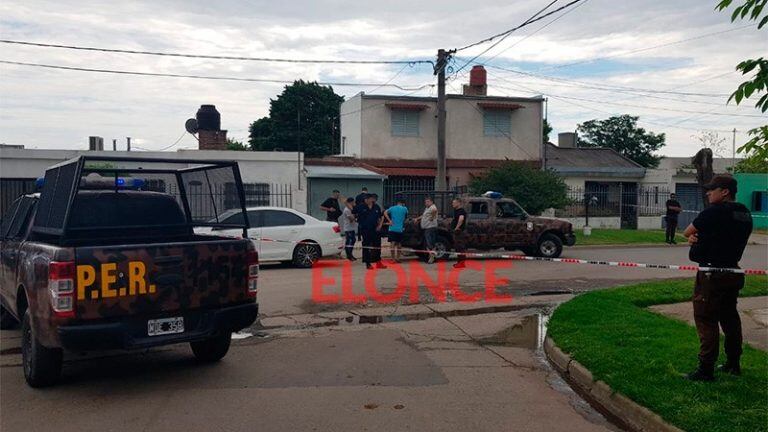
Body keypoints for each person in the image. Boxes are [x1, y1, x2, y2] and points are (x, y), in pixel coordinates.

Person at [683, 174, 753, 381]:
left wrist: (693, 238)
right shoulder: (744, 213)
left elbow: (687, 231)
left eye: (712, 189)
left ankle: (705, 369)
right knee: (730, 318)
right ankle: (733, 363)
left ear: (725, 192)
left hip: (711, 274)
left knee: (706, 319)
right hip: (733, 271)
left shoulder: (714, 212)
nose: (708, 192)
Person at [358, 193, 386, 270]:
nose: (374, 200)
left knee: (377, 246)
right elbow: (355, 213)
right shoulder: (361, 207)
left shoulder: (376, 207)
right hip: (366, 230)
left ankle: (378, 262)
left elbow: (380, 217)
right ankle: (368, 263)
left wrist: (380, 225)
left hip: (375, 230)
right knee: (366, 246)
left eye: (375, 199)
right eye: (372, 198)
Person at [414, 196, 439, 264]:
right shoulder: (427, 208)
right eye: (425, 202)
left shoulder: (433, 207)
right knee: (428, 243)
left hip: (430, 228)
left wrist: (432, 217)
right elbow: (424, 216)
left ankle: (432, 257)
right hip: (426, 228)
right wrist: (417, 219)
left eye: (428, 202)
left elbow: (435, 211)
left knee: (430, 243)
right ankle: (430, 256)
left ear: (431, 202)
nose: (426, 203)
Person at [384, 198, 408, 262]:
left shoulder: (392, 208)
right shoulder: (405, 208)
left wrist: (390, 220)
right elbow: (406, 217)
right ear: (402, 203)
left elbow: (385, 212)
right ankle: (398, 258)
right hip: (400, 229)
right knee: (399, 244)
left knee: (392, 243)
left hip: (392, 228)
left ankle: (393, 258)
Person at [450, 198, 467, 269]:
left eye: (454, 203)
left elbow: (461, 219)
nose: (452, 204)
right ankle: (459, 262)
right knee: (457, 247)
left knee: (460, 247)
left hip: (459, 231)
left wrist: (457, 227)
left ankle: (462, 263)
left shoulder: (461, 211)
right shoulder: (456, 211)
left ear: (459, 203)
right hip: (456, 232)